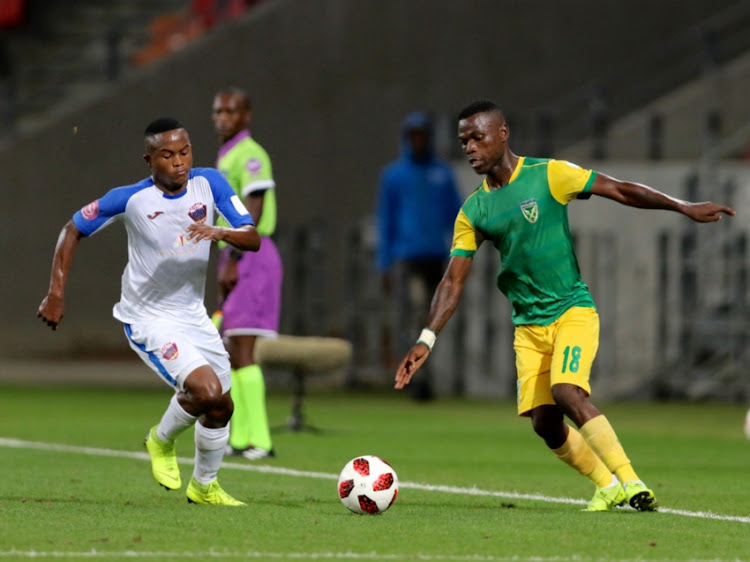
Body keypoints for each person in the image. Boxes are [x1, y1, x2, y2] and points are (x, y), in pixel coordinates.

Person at [394, 100, 735, 511]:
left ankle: (633, 483)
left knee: (566, 390)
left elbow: (619, 188)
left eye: (477, 138)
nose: (469, 148)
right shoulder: (474, 210)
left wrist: (683, 207)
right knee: (544, 422)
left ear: (502, 134)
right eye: (464, 141)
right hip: (528, 325)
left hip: (572, 309)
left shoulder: (550, 174)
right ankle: (606, 485)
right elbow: (452, 281)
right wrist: (426, 339)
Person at [37, 117, 260, 506]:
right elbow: (72, 229)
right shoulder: (130, 199)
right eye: (167, 155)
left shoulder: (211, 185)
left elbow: (252, 236)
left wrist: (219, 231)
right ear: (149, 160)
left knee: (222, 406)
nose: (179, 162)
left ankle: (204, 486)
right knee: (205, 390)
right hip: (149, 318)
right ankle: (160, 440)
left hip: (192, 315)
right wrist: (55, 293)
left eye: (185, 151)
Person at [211, 87, 281, 460]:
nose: (223, 117)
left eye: (231, 111)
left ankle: (260, 440)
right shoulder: (228, 155)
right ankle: (240, 438)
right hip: (236, 255)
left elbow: (255, 204)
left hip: (252, 256)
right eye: (219, 111)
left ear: (246, 116)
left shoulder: (251, 155)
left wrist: (235, 256)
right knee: (232, 350)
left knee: (244, 348)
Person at [376, 111, 462, 400]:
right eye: (413, 136)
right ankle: (412, 377)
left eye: (422, 136)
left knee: (433, 318)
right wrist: (384, 262)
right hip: (406, 257)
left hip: (436, 256)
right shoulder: (395, 176)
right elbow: (386, 220)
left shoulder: (442, 174)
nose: (418, 141)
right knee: (411, 315)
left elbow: (459, 215)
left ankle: (428, 376)